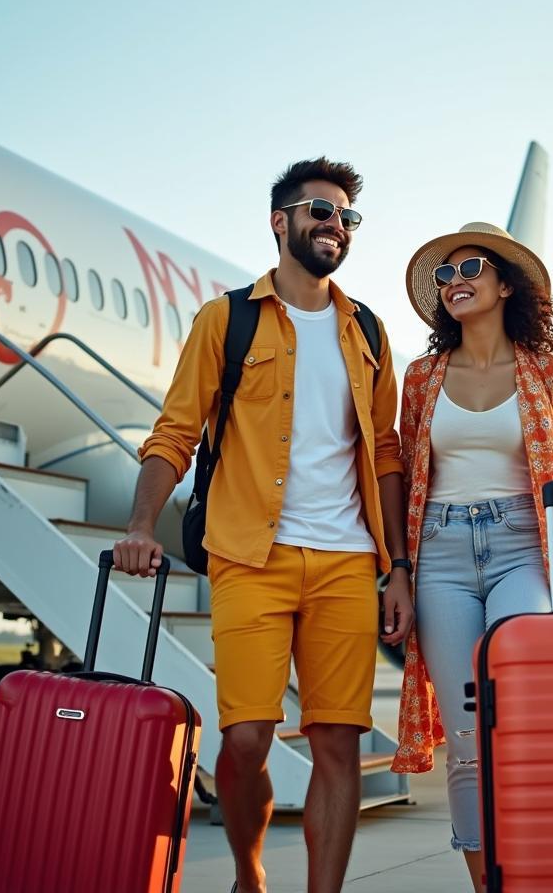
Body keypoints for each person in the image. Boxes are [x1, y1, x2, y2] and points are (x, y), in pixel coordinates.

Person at [113, 158, 413, 893]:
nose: (334, 226)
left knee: (337, 742)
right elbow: (176, 430)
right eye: (319, 211)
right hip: (251, 555)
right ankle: (249, 875)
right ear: (281, 223)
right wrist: (141, 525)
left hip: (346, 561)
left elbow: (384, 454)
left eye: (345, 216)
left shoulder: (366, 330)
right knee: (245, 739)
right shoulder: (228, 318)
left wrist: (397, 567)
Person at [391, 222, 553, 892]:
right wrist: (397, 568)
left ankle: (538, 864)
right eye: (445, 276)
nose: (455, 281)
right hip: (442, 556)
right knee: (465, 732)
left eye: (470, 268)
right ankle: (490, 884)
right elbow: (404, 473)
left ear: (505, 283)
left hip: (523, 547)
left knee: (519, 706)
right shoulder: (423, 376)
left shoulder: (547, 372)